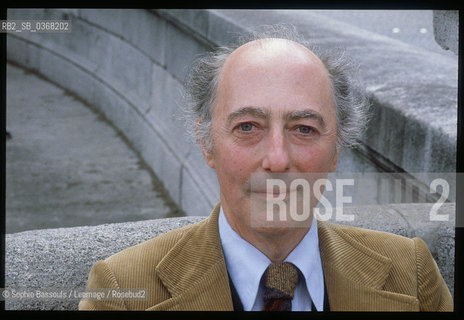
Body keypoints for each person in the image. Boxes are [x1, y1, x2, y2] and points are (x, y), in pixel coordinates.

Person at [79, 25, 453, 311]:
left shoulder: (412, 276)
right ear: (207, 143)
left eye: (304, 129)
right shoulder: (122, 291)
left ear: (336, 148)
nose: (277, 159)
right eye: (247, 127)